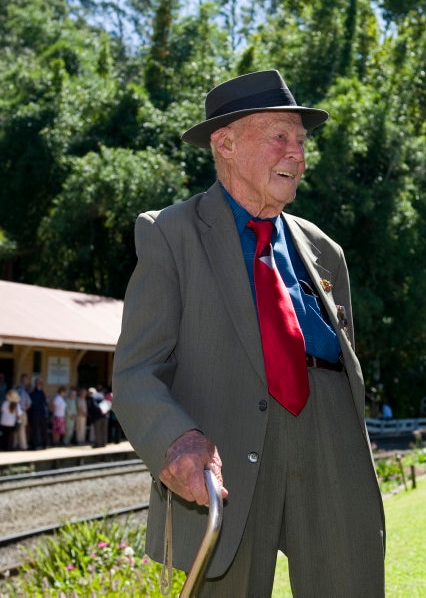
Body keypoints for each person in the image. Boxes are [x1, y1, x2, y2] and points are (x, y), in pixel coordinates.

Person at [113, 70, 385, 595]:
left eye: (301, 141)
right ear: (226, 144)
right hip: (227, 451)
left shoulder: (325, 250)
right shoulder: (171, 233)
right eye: (278, 137)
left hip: (329, 438)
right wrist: (176, 440)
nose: (296, 154)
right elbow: (137, 370)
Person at [27, 378, 49, 450]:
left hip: (42, 413)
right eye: (38, 383)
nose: (39, 384)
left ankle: (44, 444)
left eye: (40, 383)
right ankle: (34, 445)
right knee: (34, 430)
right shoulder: (32, 392)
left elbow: (45, 403)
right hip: (34, 413)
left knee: (43, 429)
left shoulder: (42, 392)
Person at [15, 374, 32, 450]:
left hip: (18, 410)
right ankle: (23, 445)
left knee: (17, 428)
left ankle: (16, 444)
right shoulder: (22, 391)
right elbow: (29, 404)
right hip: (21, 410)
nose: (25, 381)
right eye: (24, 379)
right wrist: (23, 409)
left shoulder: (19, 389)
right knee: (21, 428)